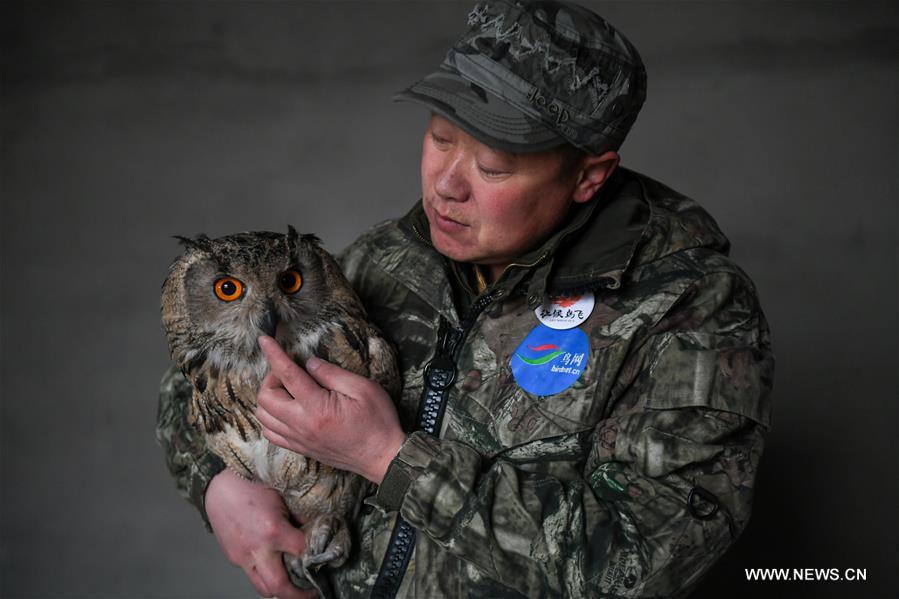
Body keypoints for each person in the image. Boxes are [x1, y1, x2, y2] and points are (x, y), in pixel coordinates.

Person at [157, 1, 774, 597]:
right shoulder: (389, 259)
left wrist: (388, 457)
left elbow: (640, 564)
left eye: (494, 166)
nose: (446, 186)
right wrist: (219, 487)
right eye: (440, 138)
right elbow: (199, 385)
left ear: (589, 176)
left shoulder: (687, 308)